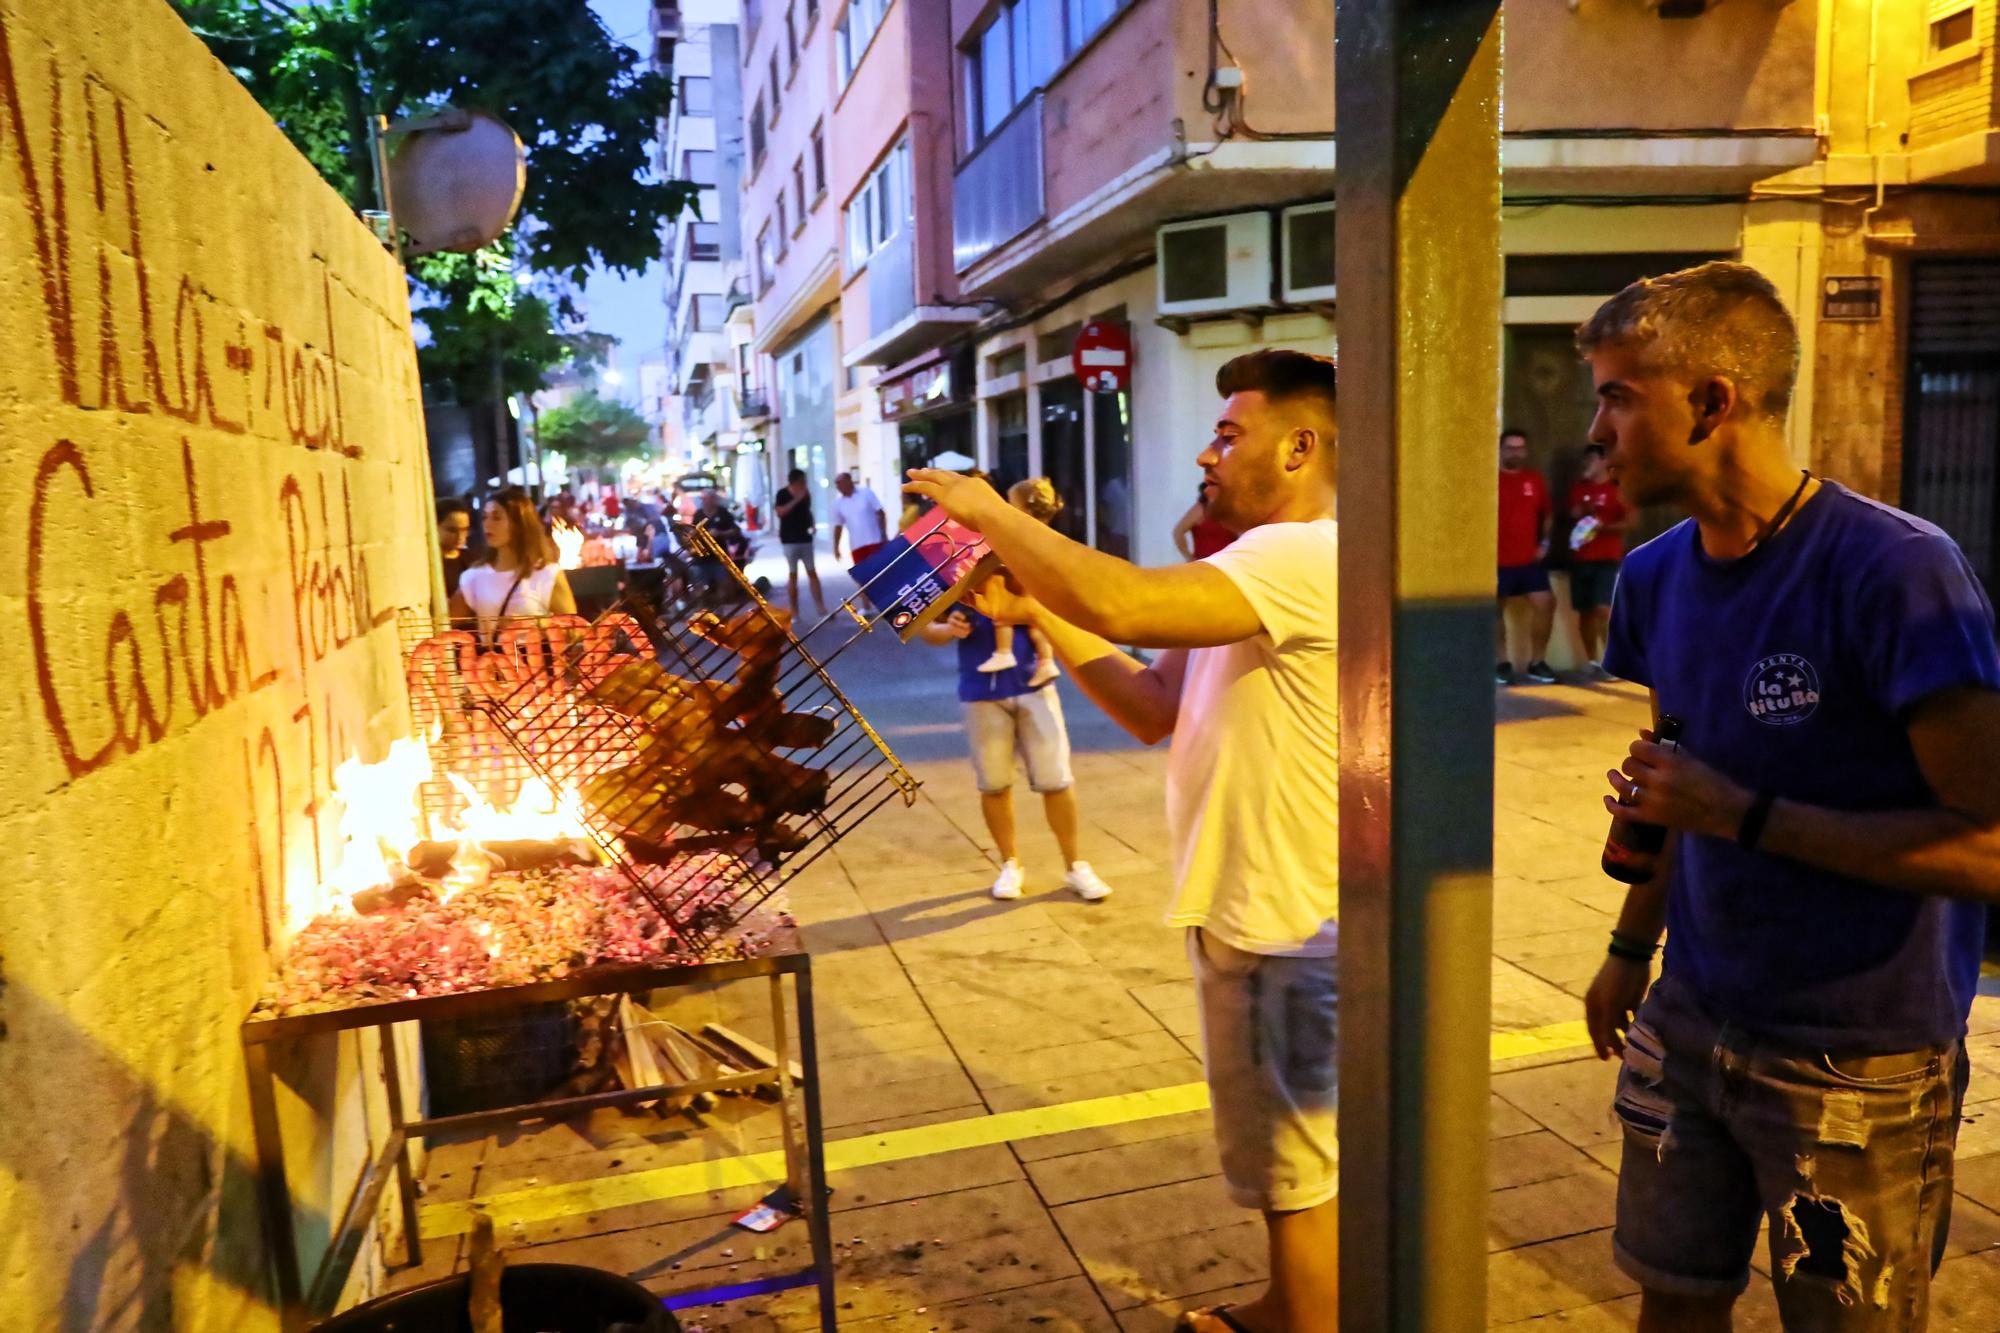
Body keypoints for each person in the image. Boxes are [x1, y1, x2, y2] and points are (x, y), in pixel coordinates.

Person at [1575, 261, 2000, 1333]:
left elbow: (1989, 845)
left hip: (1854, 1055)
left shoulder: (1896, 570)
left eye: (1617, 395)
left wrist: (1744, 813)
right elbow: (1674, 785)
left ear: (1710, 401)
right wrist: (1631, 949)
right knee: (1669, 1306)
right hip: (1689, 1016)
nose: (1594, 430)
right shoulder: (1657, 576)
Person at [907, 348, 1341, 1333]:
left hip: (1282, 914)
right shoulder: (1253, 576)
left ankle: (1307, 1318)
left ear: (1300, 446)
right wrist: (1038, 615)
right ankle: (1289, 1304)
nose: (1204, 453)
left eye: (1229, 433)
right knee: (1287, 1161)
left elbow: (1128, 600)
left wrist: (988, 514)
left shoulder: (1302, 553)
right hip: (1253, 903)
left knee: (1295, 1168)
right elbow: (1150, 704)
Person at [916, 481, 1110, 906]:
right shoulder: (959, 555)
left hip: (1035, 682)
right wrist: (948, 629)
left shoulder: (1036, 551)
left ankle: (1075, 863)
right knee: (994, 783)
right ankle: (1009, 863)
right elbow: (924, 626)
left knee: (1057, 779)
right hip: (980, 688)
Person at [450, 486, 577, 645]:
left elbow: (574, 630)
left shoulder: (546, 574)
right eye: (484, 517)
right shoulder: (474, 576)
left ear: (518, 523)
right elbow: (444, 622)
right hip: (493, 665)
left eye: (496, 517)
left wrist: (538, 624)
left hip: (537, 664)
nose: (487, 524)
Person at [976, 480, 1063, 688]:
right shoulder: (1047, 534)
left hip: (1025, 582)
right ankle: (1047, 661)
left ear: (1025, 509)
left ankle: (1004, 652)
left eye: (1011, 503)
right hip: (1040, 586)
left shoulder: (1022, 533)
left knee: (1002, 615)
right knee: (1036, 626)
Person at [1566, 443, 1634, 677]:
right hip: (1581, 557)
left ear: (1604, 462)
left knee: (1603, 609)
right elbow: (1573, 514)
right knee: (1585, 612)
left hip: (1607, 557)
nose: (1588, 465)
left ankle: (1613, 660)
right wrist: (1583, 511)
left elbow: (1631, 522)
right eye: (1586, 461)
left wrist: (1605, 526)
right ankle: (1592, 660)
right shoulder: (1579, 487)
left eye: (1593, 460)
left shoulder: (1618, 488)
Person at [1497, 428, 1558, 685]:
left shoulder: (1534, 480)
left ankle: (1537, 662)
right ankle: (1500, 664)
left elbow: (1548, 515)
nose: (1516, 453)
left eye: (1520, 448)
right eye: (1510, 448)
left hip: (1529, 561)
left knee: (1546, 602)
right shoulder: (1490, 480)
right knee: (1493, 610)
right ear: (1500, 450)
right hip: (1496, 561)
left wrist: (1544, 544)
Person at [773, 467, 828, 618]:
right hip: (789, 540)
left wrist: (812, 523)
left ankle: (820, 607)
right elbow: (780, 512)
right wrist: (796, 499)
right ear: (795, 482)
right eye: (802, 481)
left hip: (805, 538)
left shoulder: (806, 494)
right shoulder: (782, 494)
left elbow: (807, 511)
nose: (805, 484)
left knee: (812, 571)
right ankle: (794, 611)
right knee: (793, 574)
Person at [829, 471, 890, 564]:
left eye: (840, 483)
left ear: (849, 481)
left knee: (880, 570)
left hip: (875, 541)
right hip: (856, 546)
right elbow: (838, 526)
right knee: (864, 575)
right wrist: (836, 547)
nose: (838, 486)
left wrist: (884, 534)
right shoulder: (837, 504)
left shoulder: (866, 493)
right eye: (836, 484)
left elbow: (880, 513)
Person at [1172, 489, 1237, 561]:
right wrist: (1188, 557)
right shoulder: (1201, 509)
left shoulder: (1232, 511)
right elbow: (1178, 531)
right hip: (1204, 565)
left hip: (1228, 565)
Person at [436, 497, 473, 598]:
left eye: (464, 530)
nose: (460, 536)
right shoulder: (427, 564)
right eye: (452, 530)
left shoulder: (473, 560)